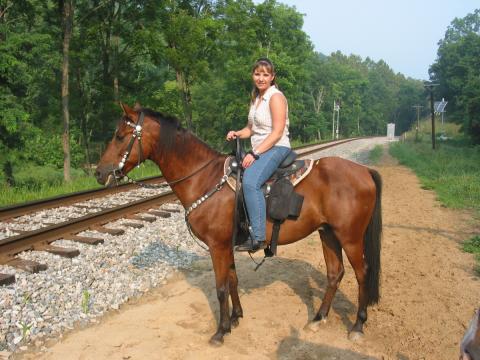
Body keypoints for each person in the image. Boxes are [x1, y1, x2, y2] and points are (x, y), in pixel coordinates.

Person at [226, 58, 291, 252]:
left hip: (276, 147)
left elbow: (277, 132)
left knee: (250, 183)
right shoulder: (256, 98)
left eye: (265, 74)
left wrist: (254, 153)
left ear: (272, 77)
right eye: (257, 74)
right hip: (262, 148)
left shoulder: (275, 97)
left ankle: (258, 236)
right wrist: (238, 133)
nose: (261, 78)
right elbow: (250, 129)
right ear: (252, 75)